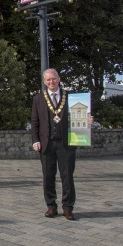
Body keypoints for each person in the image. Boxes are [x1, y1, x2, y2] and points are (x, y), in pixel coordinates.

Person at [30, 68, 78, 220]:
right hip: (46, 144)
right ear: (44, 82)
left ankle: (68, 208)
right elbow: (34, 122)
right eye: (48, 80)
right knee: (48, 176)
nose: (51, 82)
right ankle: (51, 206)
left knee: (67, 176)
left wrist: (87, 121)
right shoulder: (38, 98)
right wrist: (35, 140)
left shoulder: (70, 97)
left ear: (59, 79)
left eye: (54, 78)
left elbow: (79, 117)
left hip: (66, 143)